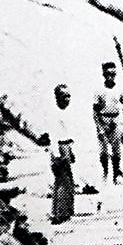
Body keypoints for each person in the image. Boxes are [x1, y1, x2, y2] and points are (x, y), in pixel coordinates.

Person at [93, 62, 123, 184]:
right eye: (108, 74)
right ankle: (105, 173)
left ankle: (116, 174)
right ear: (103, 74)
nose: (110, 76)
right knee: (103, 150)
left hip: (116, 120)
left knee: (116, 149)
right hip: (103, 119)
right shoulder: (99, 90)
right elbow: (95, 110)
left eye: (113, 74)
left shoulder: (119, 89)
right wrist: (100, 127)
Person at [46, 84, 76, 225]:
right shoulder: (55, 115)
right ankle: (59, 213)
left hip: (66, 146)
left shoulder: (67, 113)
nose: (68, 99)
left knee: (68, 180)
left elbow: (68, 134)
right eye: (64, 96)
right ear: (57, 98)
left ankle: (66, 211)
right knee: (61, 181)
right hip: (59, 147)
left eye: (69, 95)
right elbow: (53, 137)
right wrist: (57, 155)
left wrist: (71, 151)